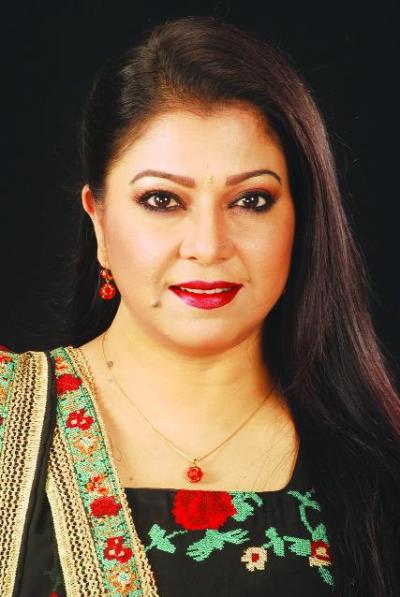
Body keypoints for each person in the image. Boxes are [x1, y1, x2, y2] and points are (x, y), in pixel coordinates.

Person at [0, 14, 399, 597]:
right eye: (163, 200)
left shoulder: (377, 464)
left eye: (251, 200)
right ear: (99, 220)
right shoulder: (11, 417)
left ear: (302, 220)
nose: (209, 246)